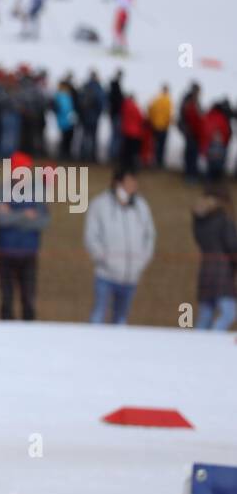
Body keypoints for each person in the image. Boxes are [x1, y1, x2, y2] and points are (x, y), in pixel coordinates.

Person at [84, 169, 156, 325]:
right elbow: (91, 236)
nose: (133, 186)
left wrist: (141, 262)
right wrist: (103, 258)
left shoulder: (141, 206)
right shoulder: (100, 204)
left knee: (121, 319)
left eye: (134, 182)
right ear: (118, 183)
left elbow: (149, 236)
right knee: (98, 315)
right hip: (106, 274)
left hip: (131, 275)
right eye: (129, 182)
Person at [0, 152, 49, 321]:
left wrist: (13, 215)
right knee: (6, 299)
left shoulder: (38, 192)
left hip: (28, 253)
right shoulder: (1, 190)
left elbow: (43, 222)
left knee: (29, 298)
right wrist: (25, 214)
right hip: (6, 252)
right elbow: (1, 219)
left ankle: (29, 336)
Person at [192, 185, 237, 331]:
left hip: (206, 270)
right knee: (229, 312)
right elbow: (232, 246)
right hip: (222, 272)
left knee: (205, 314)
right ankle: (213, 341)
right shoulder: (223, 220)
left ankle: (197, 345)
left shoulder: (200, 220)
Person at [147, 84, 172, 169]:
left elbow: (150, 109)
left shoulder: (156, 99)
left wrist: (152, 121)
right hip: (164, 127)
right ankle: (159, 162)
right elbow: (169, 115)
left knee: (155, 144)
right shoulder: (168, 100)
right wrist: (168, 123)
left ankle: (154, 161)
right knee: (162, 145)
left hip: (155, 126)